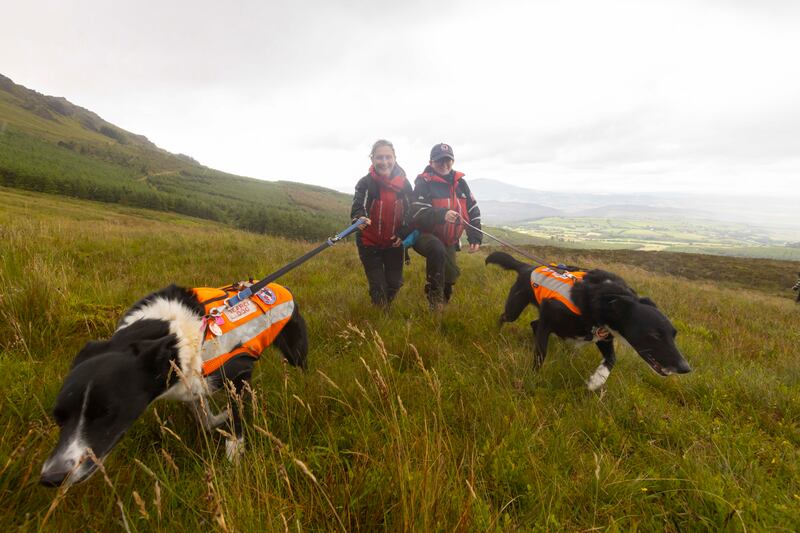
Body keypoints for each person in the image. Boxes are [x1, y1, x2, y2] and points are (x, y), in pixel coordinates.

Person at [410, 142, 481, 309]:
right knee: (437, 249)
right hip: (424, 234)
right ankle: (435, 303)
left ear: (453, 161)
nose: (444, 164)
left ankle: (444, 301)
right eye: (439, 160)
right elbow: (418, 212)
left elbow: (472, 210)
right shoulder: (423, 182)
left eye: (448, 160)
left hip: (449, 238)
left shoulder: (461, 183)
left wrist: (475, 236)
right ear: (431, 162)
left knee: (449, 277)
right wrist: (442, 214)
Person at [350, 139, 413, 307]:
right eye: (379, 157)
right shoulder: (365, 183)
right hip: (369, 242)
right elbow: (359, 205)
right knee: (378, 288)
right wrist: (359, 217)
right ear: (372, 159)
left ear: (395, 158)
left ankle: (386, 306)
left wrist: (403, 233)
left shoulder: (404, 184)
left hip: (394, 242)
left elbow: (410, 211)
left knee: (395, 283)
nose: (384, 162)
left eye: (388, 157)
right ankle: (380, 314)